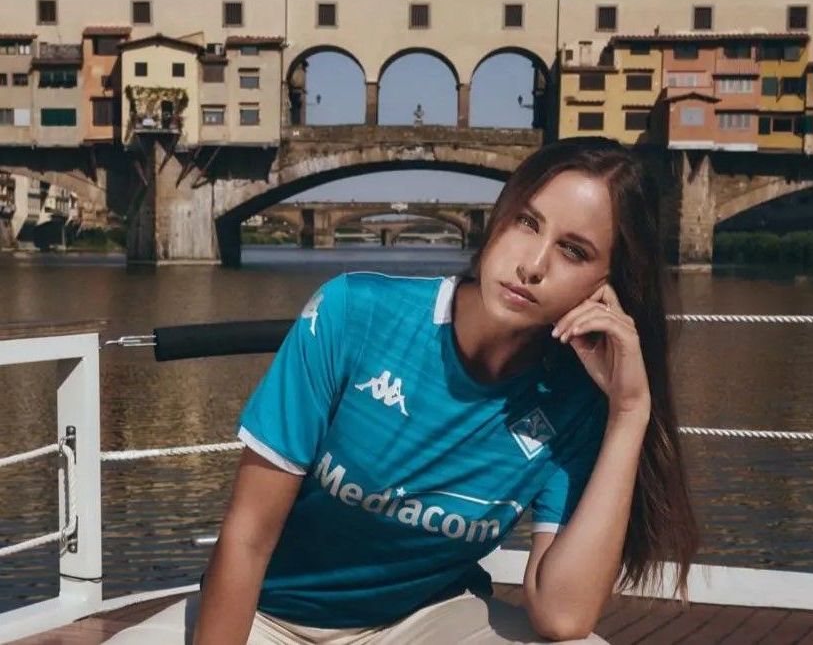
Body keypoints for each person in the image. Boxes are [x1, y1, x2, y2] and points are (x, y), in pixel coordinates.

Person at [110, 137, 699, 644]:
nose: (533, 264)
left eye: (573, 251)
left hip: (423, 621)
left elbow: (562, 615)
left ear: (606, 285)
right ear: (499, 217)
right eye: (527, 222)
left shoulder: (574, 398)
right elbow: (247, 537)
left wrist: (629, 411)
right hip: (270, 616)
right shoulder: (354, 314)